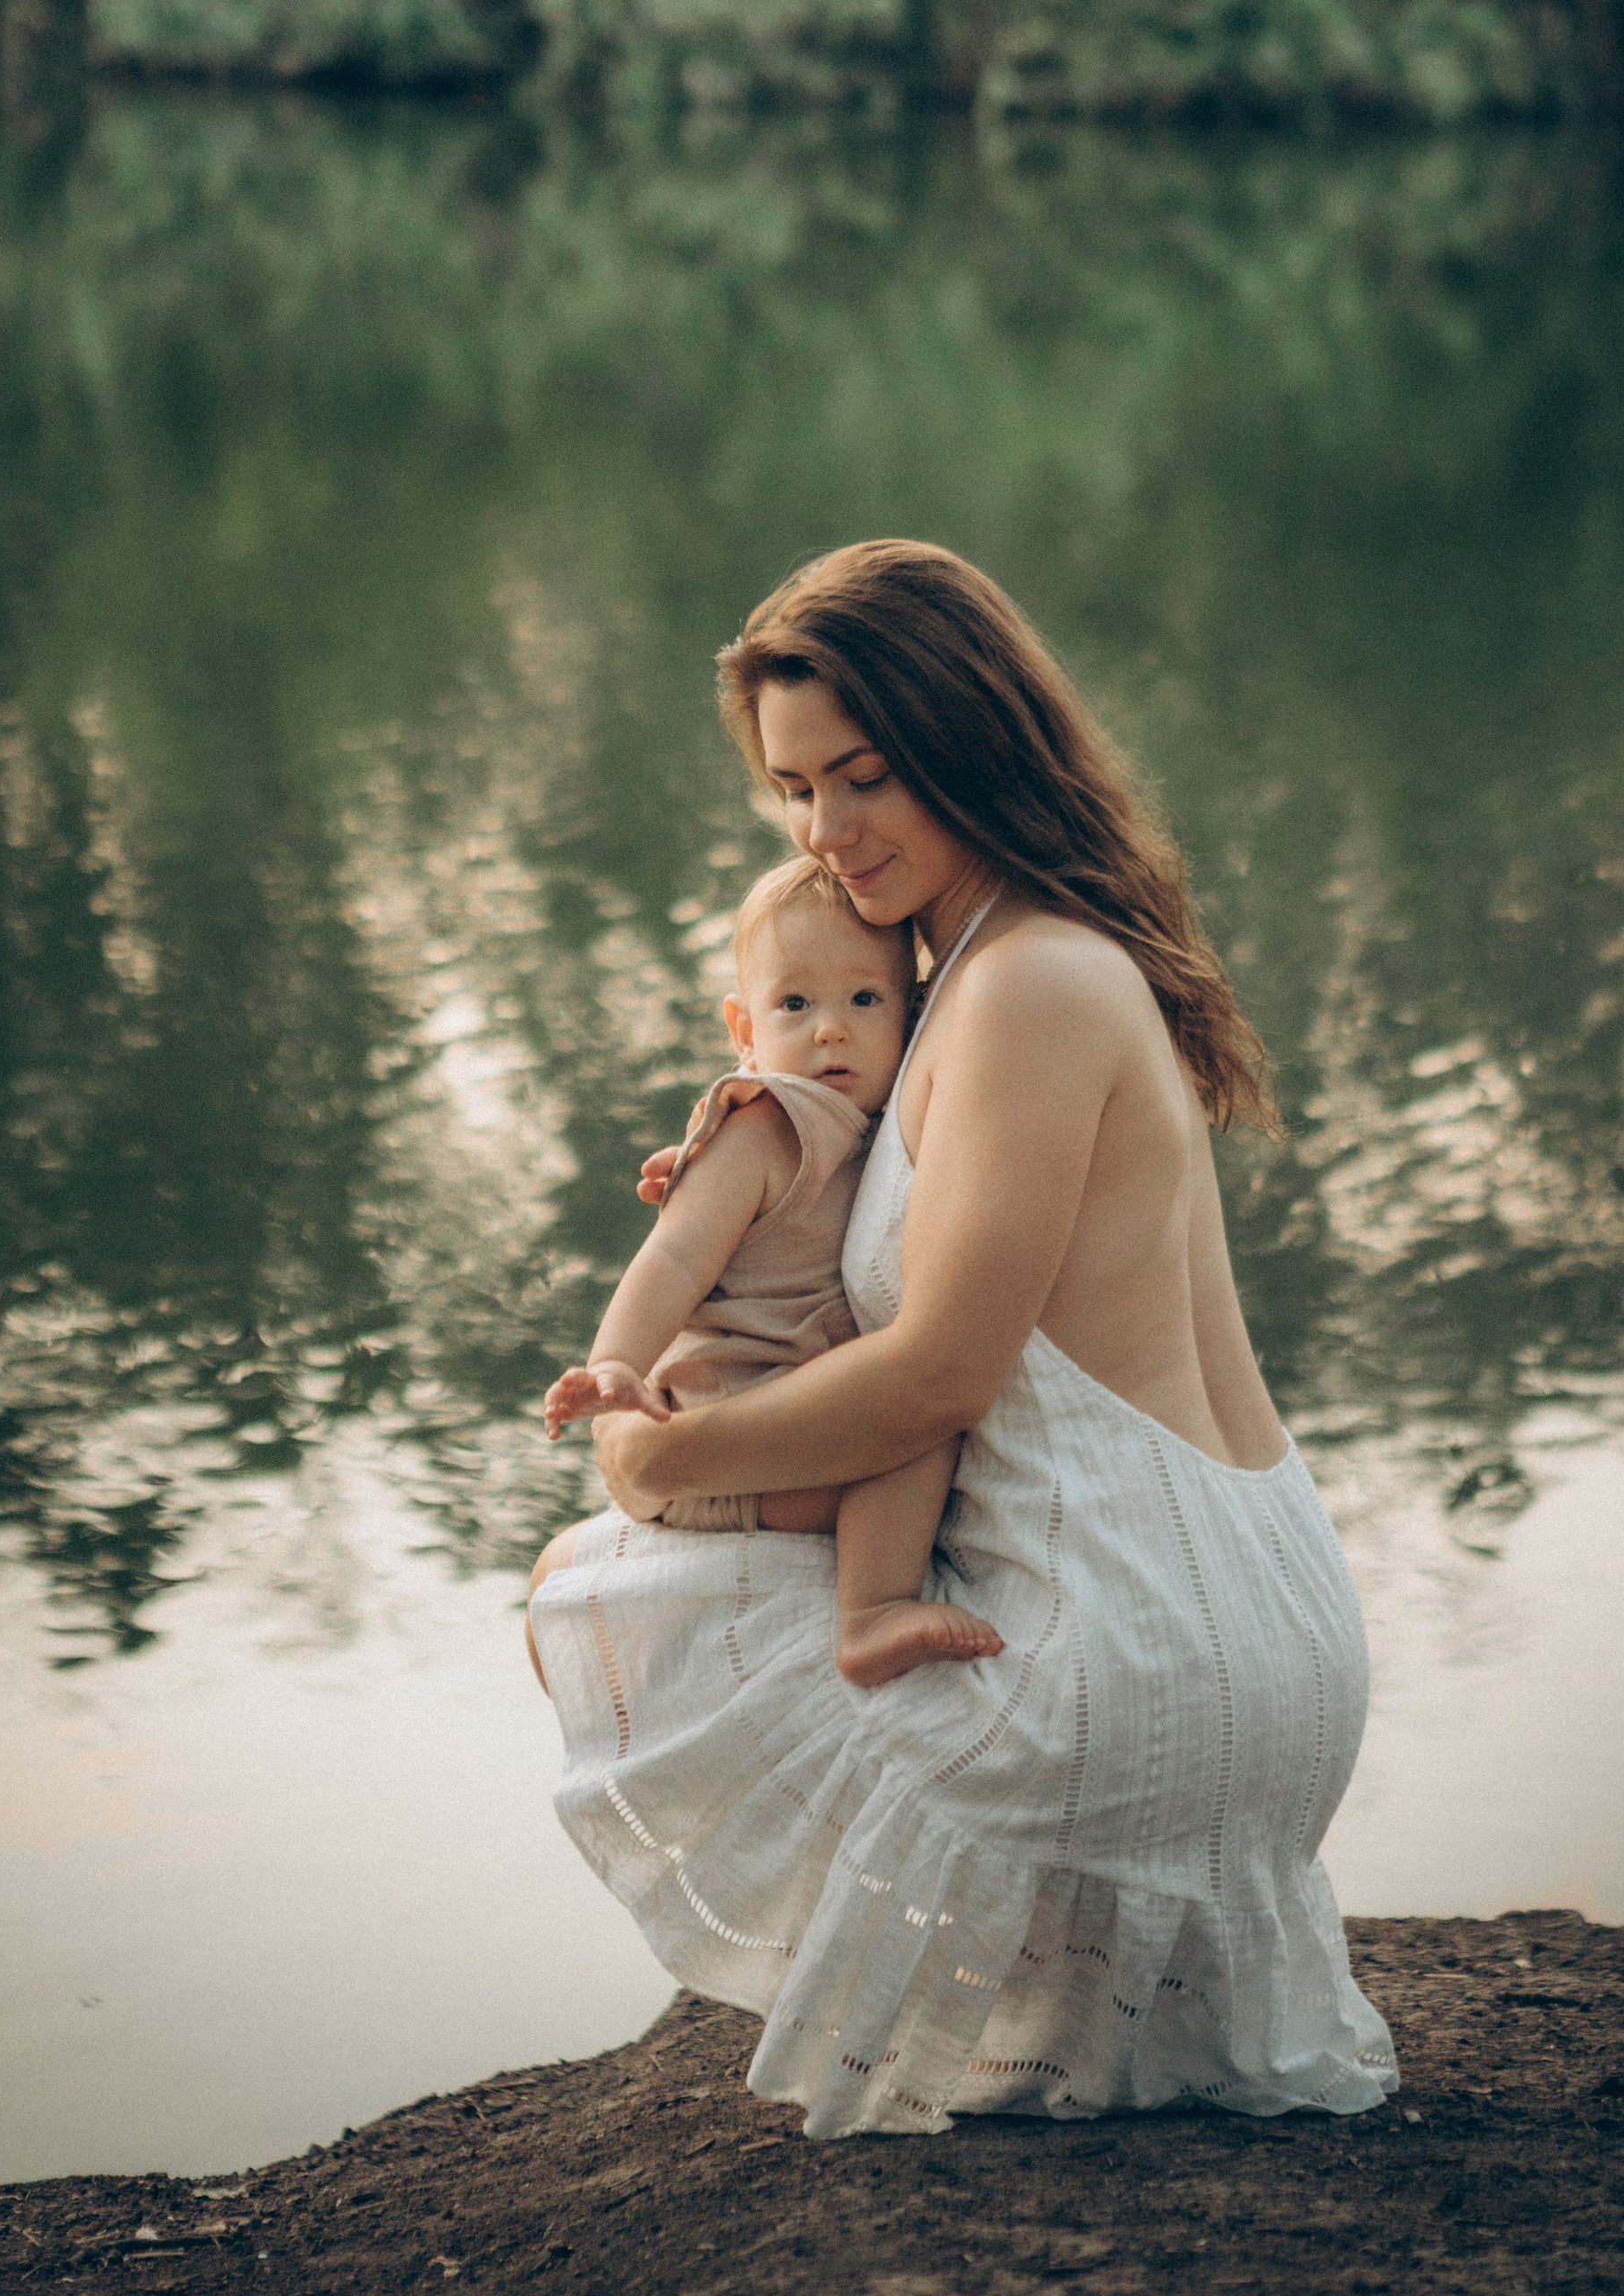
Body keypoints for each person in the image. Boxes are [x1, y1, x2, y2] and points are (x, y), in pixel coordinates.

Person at [529, 539, 1397, 2141]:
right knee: (687, 1554)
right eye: (793, 792)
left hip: (1149, 1646)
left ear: (972, 738)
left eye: (863, 777)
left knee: (620, 1578)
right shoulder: (984, 967)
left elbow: (938, 1375)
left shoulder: (1028, 989)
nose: (826, 834)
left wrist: (660, 1455)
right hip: (1214, 1614)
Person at [541, 853, 1006, 1688]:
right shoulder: (766, 1127)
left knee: (907, 1427)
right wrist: (615, 1364)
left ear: (913, 1012)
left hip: (763, 1433)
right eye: (795, 1004)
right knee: (910, 1436)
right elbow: (673, 1256)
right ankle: (870, 1616)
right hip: (725, 1434)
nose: (830, 1028)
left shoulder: (873, 1122)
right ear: (746, 1030)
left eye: (864, 1000)